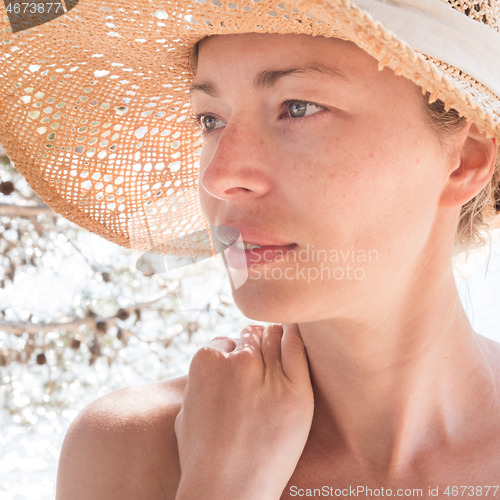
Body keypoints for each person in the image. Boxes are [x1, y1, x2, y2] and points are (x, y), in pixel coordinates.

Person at [0, 0, 499, 498]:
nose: (219, 176)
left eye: (297, 108)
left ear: (465, 161)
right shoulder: (130, 449)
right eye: (210, 120)